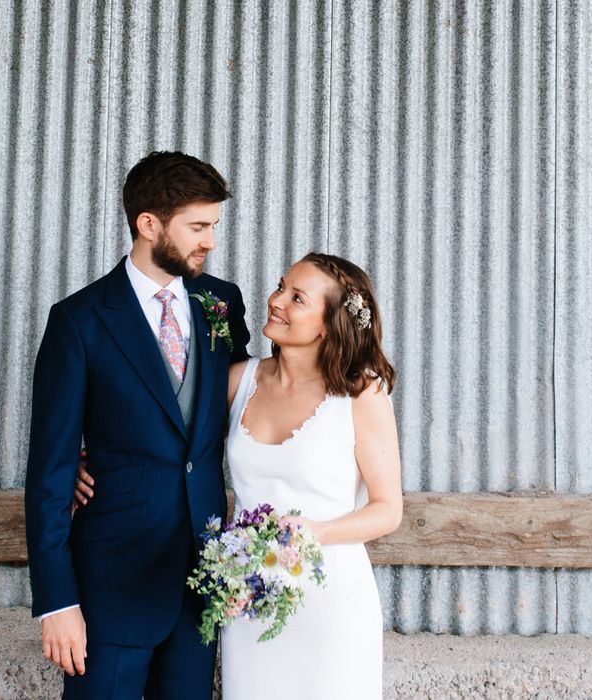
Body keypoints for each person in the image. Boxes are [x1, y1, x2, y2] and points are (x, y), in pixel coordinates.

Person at [76, 252, 403, 699]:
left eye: (297, 298)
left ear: (328, 324)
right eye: (281, 285)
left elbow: (388, 511)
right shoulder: (238, 380)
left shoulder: (360, 393)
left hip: (330, 604)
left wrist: (313, 532)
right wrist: (83, 460)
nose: (276, 300)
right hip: (247, 599)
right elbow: (156, 429)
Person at [25, 151, 250, 699]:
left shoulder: (222, 303)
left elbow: (247, 404)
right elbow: (49, 473)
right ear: (148, 224)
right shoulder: (78, 322)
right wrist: (57, 602)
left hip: (201, 583)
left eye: (213, 226)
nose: (210, 242)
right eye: (198, 227)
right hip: (112, 587)